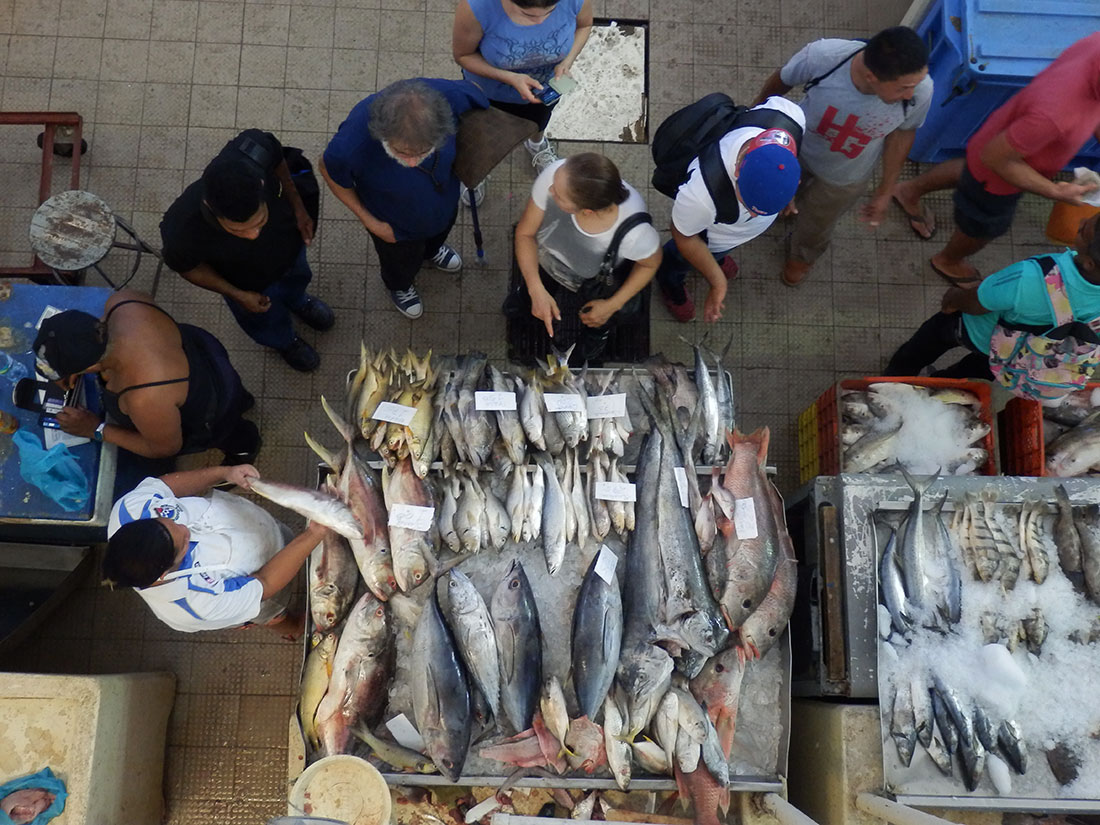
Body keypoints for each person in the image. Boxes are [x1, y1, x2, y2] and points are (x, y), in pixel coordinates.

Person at [892, 32, 1100, 284]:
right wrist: (1054, 191)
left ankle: (908, 191)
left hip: (1003, 136)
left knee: (970, 169)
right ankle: (949, 261)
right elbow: (996, 159)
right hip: (1001, 173)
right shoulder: (1053, 117)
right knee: (983, 225)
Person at [753, 26, 933, 286]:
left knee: (818, 224)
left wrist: (885, 189)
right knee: (771, 193)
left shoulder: (920, 90)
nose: (910, 95)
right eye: (903, 88)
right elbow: (782, 80)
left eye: (915, 84)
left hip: (846, 177)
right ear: (871, 77)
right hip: (795, 152)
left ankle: (801, 258)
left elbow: (903, 133)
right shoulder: (823, 57)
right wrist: (757, 115)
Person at [160, 129, 333, 373]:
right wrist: (237, 294)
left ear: (262, 183)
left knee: (298, 276)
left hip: (289, 249)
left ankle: (299, 301)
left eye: (259, 222)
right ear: (210, 207)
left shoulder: (255, 150)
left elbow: (278, 160)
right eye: (238, 231)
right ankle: (285, 341)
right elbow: (188, 268)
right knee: (263, 318)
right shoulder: (181, 229)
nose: (253, 235)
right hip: (247, 284)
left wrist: (298, 207)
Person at [320, 78, 489, 319]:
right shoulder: (349, 146)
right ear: (382, 134)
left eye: (423, 151)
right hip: (394, 225)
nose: (411, 162)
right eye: (401, 152)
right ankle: (400, 287)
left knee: (439, 233)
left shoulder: (452, 95)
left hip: (443, 202)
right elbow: (328, 170)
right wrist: (371, 223)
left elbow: (480, 97)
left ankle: (432, 251)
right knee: (399, 264)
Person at [33, 289, 257, 462]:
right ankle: (245, 400)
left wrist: (95, 429)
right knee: (237, 395)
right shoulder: (122, 302)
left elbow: (164, 449)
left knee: (232, 432)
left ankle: (245, 447)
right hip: (203, 358)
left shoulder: (144, 399)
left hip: (209, 409)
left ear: (91, 367)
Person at [105, 464, 323, 637]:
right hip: (264, 584)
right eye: (184, 540)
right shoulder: (195, 604)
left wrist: (225, 472)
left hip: (258, 527)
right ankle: (295, 629)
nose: (184, 527)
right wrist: (314, 534)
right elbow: (264, 582)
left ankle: (295, 545)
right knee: (275, 614)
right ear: (165, 573)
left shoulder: (129, 510)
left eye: (170, 521)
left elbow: (165, 487)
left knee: (287, 538)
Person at [884, 212, 1100, 378]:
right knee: (967, 375)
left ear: (1090, 263)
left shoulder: (1033, 277)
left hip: (972, 330)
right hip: (1014, 355)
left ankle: (894, 379)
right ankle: (939, 384)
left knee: (918, 350)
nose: (1080, 222)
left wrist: (953, 299)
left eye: (1084, 231)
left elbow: (978, 302)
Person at [656, 97, 805, 322]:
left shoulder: (788, 116)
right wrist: (717, 282)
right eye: (749, 206)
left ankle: (716, 256)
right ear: (737, 170)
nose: (754, 216)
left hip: (729, 238)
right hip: (708, 236)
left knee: (718, 251)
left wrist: (786, 192)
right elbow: (684, 236)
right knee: (678, 260)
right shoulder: (701, 195)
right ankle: (670, 282)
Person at [512, 152, 661, 361]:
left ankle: (597, 334)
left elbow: (650, 264)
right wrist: (535, 288)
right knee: (531, 294)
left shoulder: (635, 233)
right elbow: (525, 234)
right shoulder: (556, 176)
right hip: (548, 261)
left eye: (559, 196)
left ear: (586, 211)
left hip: (594, 275)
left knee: (598, 316)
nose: (549, 190)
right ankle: (525, 299)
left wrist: (612, 305)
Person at [452, 0, 593, 179]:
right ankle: (477, 166)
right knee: (481, 130)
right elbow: (463, 55)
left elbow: (585, 25)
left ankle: (536, 144)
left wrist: (567, 62)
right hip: (490, 92)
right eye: (528, 14)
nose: (540, 21)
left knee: (540, 118)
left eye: (550, 11)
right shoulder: (476, 8)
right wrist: (510, 78)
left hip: (545, 88)